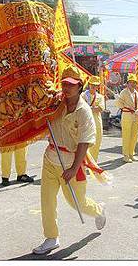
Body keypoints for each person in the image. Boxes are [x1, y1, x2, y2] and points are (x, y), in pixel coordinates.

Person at [33, 65, 108, 255]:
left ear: (80, 86)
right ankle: (51, 237)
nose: (66, 88)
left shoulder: (84, 111)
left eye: (71, 85)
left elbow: (84, 143)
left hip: (72, 162)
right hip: (51, 158)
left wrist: (74, 169)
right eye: (64, 84)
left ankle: (98, 210)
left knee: (77, 203)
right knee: (47, 201)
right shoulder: (56, 103)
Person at [114, 73, 138, 163]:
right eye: (131, 82)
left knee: (134, 136)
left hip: (136, 116)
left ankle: (131, 153)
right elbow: (119, 105)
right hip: (127, 115)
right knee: (127, 135)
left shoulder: (137, 93)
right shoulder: (124, 92)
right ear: (127, 83)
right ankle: (126, 155)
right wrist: (118, 99)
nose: (133, 84)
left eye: (134, 82)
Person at [82, 76, 105, 162]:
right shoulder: (83, 95)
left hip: (96, 121)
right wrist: (93, 108)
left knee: (97, 141)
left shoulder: (100, 97)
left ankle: (93, 162)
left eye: (96, 85)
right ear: (89, 84)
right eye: (92, 85)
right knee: (85, 142)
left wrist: (90, 108)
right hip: (85, 120)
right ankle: (84, 161)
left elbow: (100, 108)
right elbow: (81, 107)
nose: (93, 87)